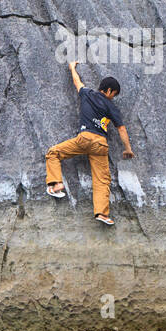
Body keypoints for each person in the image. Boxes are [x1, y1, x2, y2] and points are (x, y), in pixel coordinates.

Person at [44, 61, 134, 226]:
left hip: (85, 138)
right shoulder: (111, 106)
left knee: (53, 153)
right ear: (108, 90)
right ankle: (102, 214)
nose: (113, 97)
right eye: (113, 93)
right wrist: (128, 149)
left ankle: (56, 184)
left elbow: (77, 82)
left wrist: (72, 67)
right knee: (102, 179)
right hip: (100, 144)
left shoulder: (87, 93)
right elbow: (121, 128)